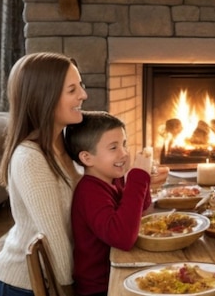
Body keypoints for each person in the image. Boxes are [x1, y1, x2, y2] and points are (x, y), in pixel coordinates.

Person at [0, 52, 88, 296]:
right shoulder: (30, 157)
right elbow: (54, 238)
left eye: (81, 86)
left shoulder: (64, 141)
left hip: (55, 278)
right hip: (27, 285)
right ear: (44, 97)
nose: (83, 95)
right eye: (72, 90)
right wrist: (71, 290)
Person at [65, 111, 152, 296]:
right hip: (101, 288)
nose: (124, 153)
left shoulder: (112, 179)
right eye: (113, 148)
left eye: (124, 144)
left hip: (118, 271)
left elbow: (139, 210)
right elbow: (123, 238)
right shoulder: (89, 192)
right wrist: (138, 179)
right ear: (87, 158)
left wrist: (142, 180)